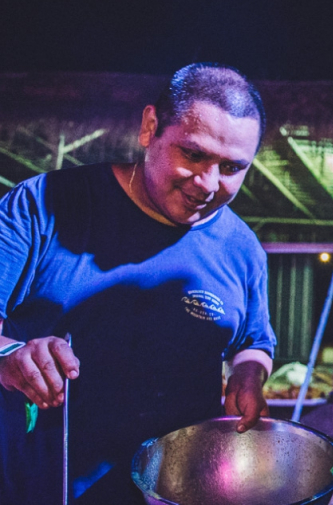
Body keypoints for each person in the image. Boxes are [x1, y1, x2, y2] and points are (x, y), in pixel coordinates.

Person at [0, 63, 276, 504]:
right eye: (193, 154)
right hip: (42, 487)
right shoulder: (42, 206)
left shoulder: (241, 248)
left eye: (231, 167)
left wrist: (248, 373)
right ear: (150, 128)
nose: (208, 184)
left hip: (179, 492)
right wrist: (12, 354)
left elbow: (254, 341)